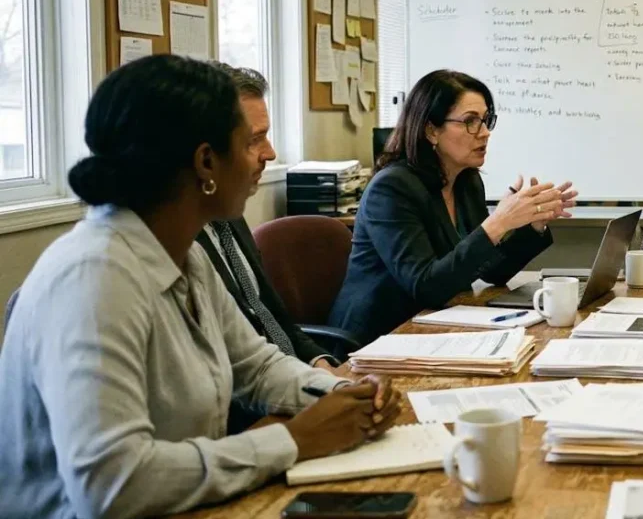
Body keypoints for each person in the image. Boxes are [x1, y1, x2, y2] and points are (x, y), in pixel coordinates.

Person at [0, 55, 402, 518]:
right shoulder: (94, 279)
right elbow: (111, 485)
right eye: (251, 141)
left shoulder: (184, 253)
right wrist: (290, 441)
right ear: (206, 162)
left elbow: (254, 365)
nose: (269, 154)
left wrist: (340, 394)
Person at [329, 70, 577, 343]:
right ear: (431, 130)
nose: (484, 133)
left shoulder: (466, 182)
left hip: (435, 327)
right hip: (379, 336)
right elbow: (426, 287)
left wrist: (533, 225)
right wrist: (498, 223)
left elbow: (493, 271)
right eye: (470, 121)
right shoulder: (391, 189)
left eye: (486, 121)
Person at [197, 64, 340, 371]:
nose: (271, 153)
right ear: (205, 154)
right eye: (254, 139)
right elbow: (238, 370)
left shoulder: (228, 215)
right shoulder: (178, 246)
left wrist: (322, 365)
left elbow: (273, 318)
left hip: (289, 382)